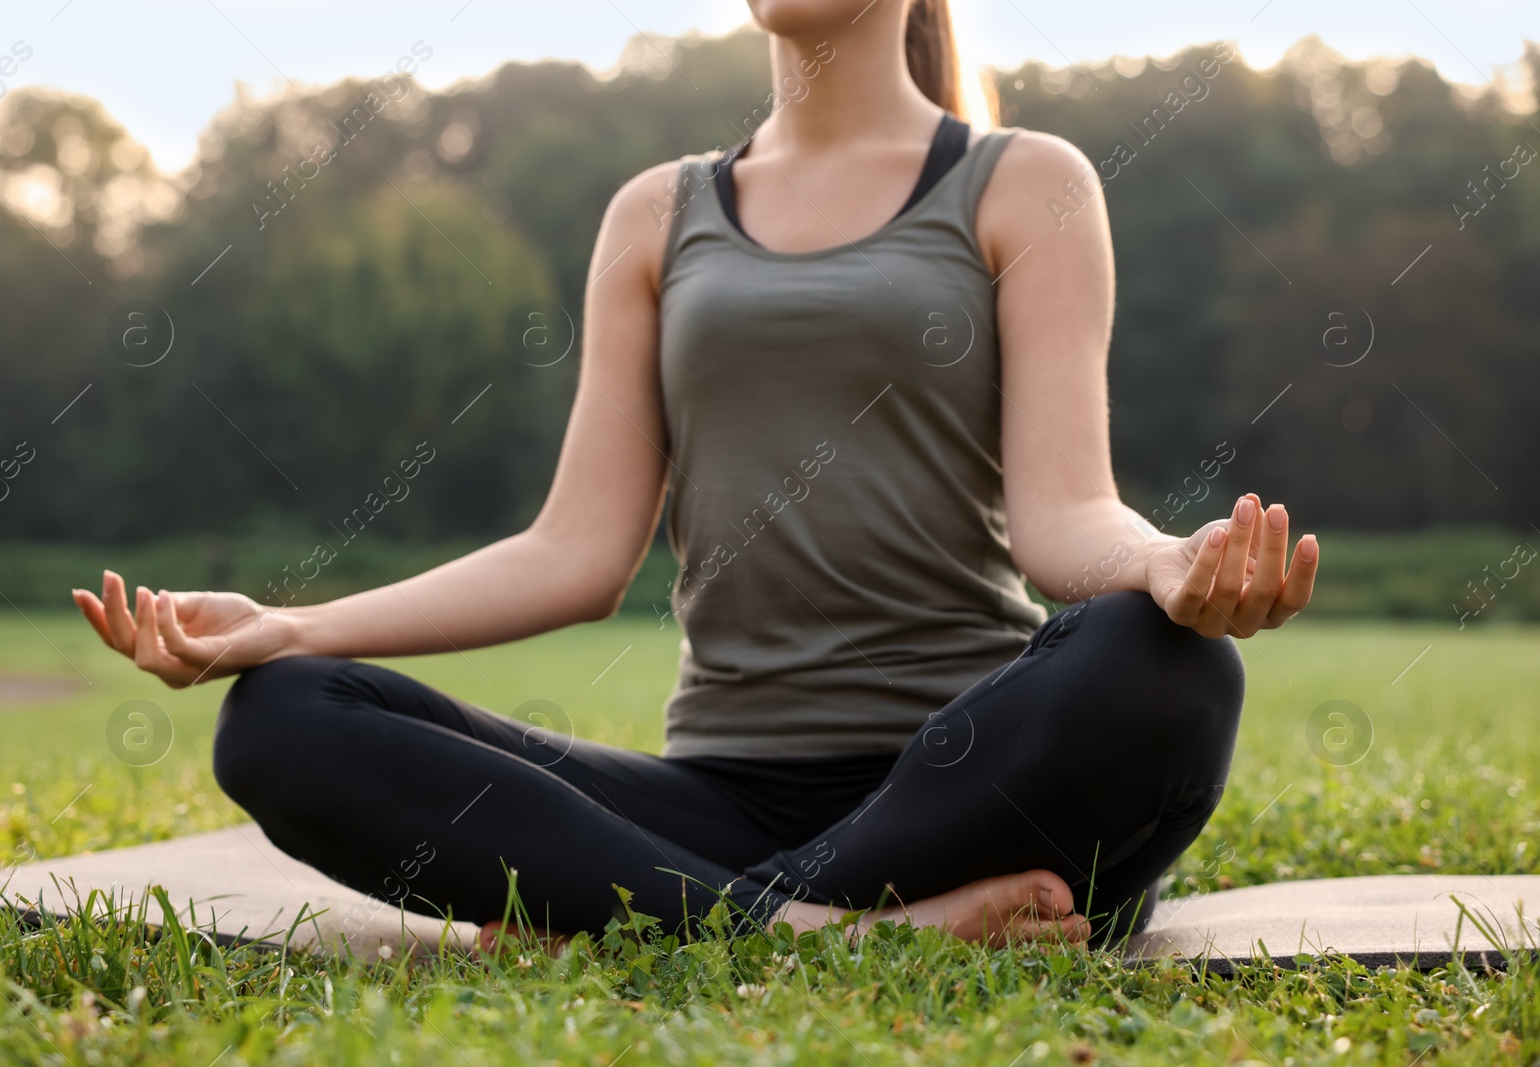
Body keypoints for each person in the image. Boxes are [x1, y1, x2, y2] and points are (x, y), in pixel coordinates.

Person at [74, 0, 1318, 953]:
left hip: (969, 777)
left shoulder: (1025, 182)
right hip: (713, 798)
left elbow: (1063, 519)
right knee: (288, 716)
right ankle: (816, 932)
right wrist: (291, 625)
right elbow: (575, 551)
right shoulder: (656, 213)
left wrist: (1162, 565)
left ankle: (642, 917)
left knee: (1166, 661)